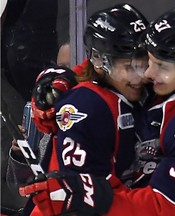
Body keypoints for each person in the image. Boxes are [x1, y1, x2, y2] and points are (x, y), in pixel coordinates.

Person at [20, 5, 175, 216]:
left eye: (158, 65)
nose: (146, 75)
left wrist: (94, 197)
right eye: (146, 60)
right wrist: (61, 82)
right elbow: (101, 72)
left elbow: (170, 207)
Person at [14, 3, 149, 216]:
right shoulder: (86, 106)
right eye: (129, 67)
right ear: (99, 62)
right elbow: (80, 201)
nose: (141, 75)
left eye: (145, 63)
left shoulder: (136, 90)